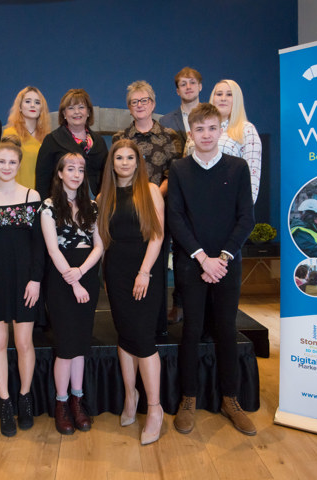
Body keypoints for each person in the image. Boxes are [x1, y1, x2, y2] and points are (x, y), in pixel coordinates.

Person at [168, 103, 256, 436]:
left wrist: (221, 258)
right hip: (192, 264)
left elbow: (246, 217)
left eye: (212, 128)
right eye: (199, 129)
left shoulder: (238, 168)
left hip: (227, 264)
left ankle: (230, 399)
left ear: (221, 130)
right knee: (190, 331)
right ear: (191, 134)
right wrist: (202, 258)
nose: (206, 134)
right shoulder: (178, 169)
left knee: (225, 330)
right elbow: (175, 217)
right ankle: (188, 398)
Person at [0, 135, 44, 437]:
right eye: (1, 161)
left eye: (12, 161)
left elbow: (39, 246)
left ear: (19, 164)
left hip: (25, 280)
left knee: (24, 342)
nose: (6, 166)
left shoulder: (32, 197)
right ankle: (4, 403)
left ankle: (24, 397)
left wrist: (36, 279)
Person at [98, 139, 166, 445]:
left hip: (144, 273)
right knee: (124, 336)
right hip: (115, 273)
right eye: (119, 157)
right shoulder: (104, 197)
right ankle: (130, 395)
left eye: (130, 157)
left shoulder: (150, 191)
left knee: (143, 339)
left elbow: (157, 236)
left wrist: (144, 272)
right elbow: (101, 242)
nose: (124, 162)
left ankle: (155, 408)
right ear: (112, 163)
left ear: (138, 162)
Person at [40, 152, 103, 435]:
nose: (76, 174)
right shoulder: (49, 206)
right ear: (60, 173)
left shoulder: (92, 206)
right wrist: (73, 281)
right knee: (66, 347)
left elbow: (99, 246)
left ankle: (78, 401)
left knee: (80, 345)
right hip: (62, 281)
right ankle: (61, 404)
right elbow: (53, 250)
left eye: (81, 169)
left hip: (87, 277)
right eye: (70, 169)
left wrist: (82, 273)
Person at [112, 80, 183, 334]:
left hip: (157, 206)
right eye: (134, 102)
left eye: (144, 101)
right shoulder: (121, 138)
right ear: (129, 107)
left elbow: (172, 175)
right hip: (126, 211)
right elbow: (116, 174)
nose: (139, 105)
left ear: (152, 104)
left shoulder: (169, 136)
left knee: (156, 267)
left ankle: (156, 324)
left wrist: (149, 196)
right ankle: (129, 321)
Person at [184, 80, 262, 203]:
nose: (223, 98)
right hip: (195, 201)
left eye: (229, 94)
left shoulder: (246, 129)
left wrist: (243, 213)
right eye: (219, 94)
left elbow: (252, 179)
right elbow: (185, 169)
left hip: (229, 204)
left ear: (237, 99)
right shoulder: (196, 126)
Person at [36, 88, 108, 200]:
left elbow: (107, 176)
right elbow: (42, 181)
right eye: (71, 108)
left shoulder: (99, 142)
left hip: (97, 202)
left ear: (88, 112)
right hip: (62, 204)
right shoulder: (51, 140)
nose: (77, 112)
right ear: (64, 113)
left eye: (81, 107)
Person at [4, 86, 52, 189]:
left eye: (37, 102)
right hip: (18, 196)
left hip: (43, 195)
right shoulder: (10, 134)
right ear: (20, 107)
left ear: (41, 109)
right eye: (28, 101)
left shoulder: (48, 137)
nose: (32, 105)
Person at [159, 67, 203, 146]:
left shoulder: (214, 116)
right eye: (183, 84)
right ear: (178, 91)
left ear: (200, 87)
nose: (188, 87)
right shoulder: (165, 122)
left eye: (192, 82)